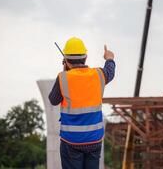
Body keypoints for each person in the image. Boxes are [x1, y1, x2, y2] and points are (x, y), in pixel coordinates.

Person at [48, 37, 115, 169]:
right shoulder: (99, 74)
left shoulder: (63, 78)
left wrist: (65, 71)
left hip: (71, 142)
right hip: (94, 141)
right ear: (86, 57)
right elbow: (110, 72)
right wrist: (109, 58)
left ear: (66, 60)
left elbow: (53, 100)